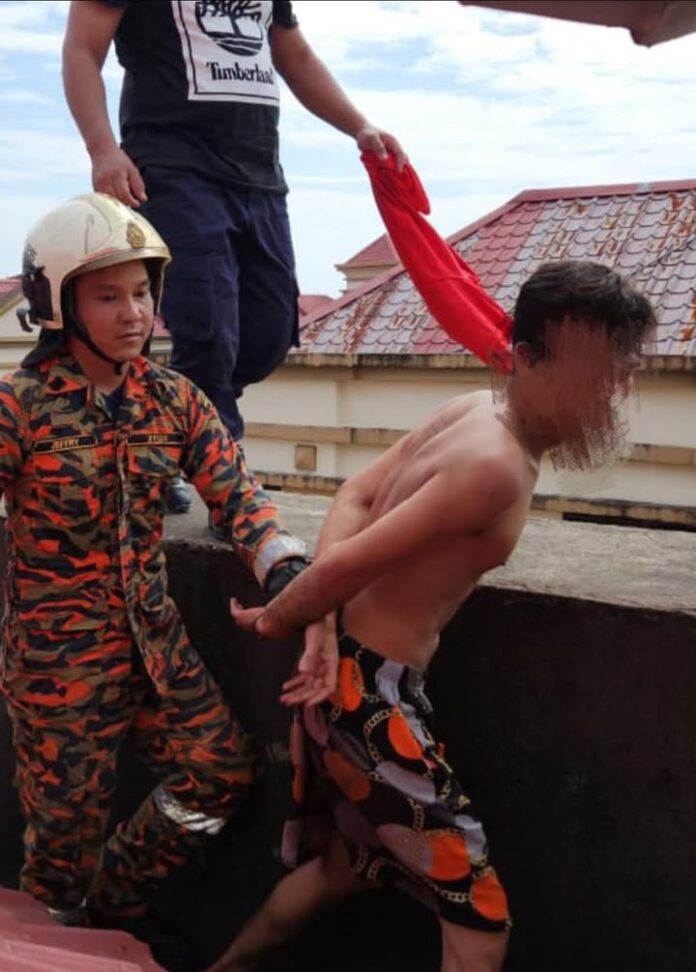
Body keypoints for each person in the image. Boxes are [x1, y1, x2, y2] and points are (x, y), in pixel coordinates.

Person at [207, 260, 656, 972]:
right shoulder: (496, 467)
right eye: (593, 372)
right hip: (368, 702)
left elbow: (356, 496)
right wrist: (282, 618)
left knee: (347, 867)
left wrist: (319, 623)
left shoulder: (475, 408)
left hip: (352, 685)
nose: (611, 391)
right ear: (525, 357)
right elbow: (343, 567)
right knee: (481, 923)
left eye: (618, 371)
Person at [0, 193, 316, 965]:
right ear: (58, 304)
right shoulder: (18, 406)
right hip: (59, 668)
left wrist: (281, 563)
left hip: (155, 650)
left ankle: (114, 904)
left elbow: (235, 494)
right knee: (61, 851)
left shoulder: (171, 399)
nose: (133, 313)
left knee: (221, 770)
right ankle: (63, 941)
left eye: (142, 292)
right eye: (108, 296)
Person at [62, 0, 406, 515]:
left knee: (268, 333)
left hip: (258, 175)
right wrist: (102, 149)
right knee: (207, 328)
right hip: (174, 169)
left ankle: (161, 434)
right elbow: (82, 48)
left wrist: (358, 126)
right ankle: (224, 476)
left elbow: (295, 56)